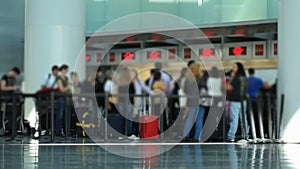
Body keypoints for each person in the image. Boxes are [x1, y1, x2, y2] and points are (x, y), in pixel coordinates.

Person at [182, 63, 206, 142]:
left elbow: (185, 91)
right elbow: (204, 89)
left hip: (190, 100)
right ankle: (196, 137)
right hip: (200, 101)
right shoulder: (200, 78)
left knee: (190, 118)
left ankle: (185, 135)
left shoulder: (187, 79)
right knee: (199, 119)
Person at [226, 62, 248, 142]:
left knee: (234, 119)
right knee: (244, 118)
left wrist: (231, 78)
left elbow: (228, 88)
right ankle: (245, 135)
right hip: (243, 101)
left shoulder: (236, 77)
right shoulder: (244, 77)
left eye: (234, 67)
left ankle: (231, 136)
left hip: (235, 101)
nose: (233, 68)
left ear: (238, 68)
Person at [247, 68, 264, 137]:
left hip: (248, 100)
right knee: (257, 116)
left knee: (249, 117)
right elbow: (262, 87)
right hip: (256, 100)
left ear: (248, 72)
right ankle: (258, 132)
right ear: (254, 72)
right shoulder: (258, 80)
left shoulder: (246, 80)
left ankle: (251, 132)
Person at [55, 64, 70, 136]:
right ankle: (58, 131)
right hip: (61, 98)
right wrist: (68, 87)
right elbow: (62, 89)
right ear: (63, 69)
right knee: (60, 115)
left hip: (66, 98)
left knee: (65, 115)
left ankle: (65, 130)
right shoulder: (59, 78)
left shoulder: (66, 78)